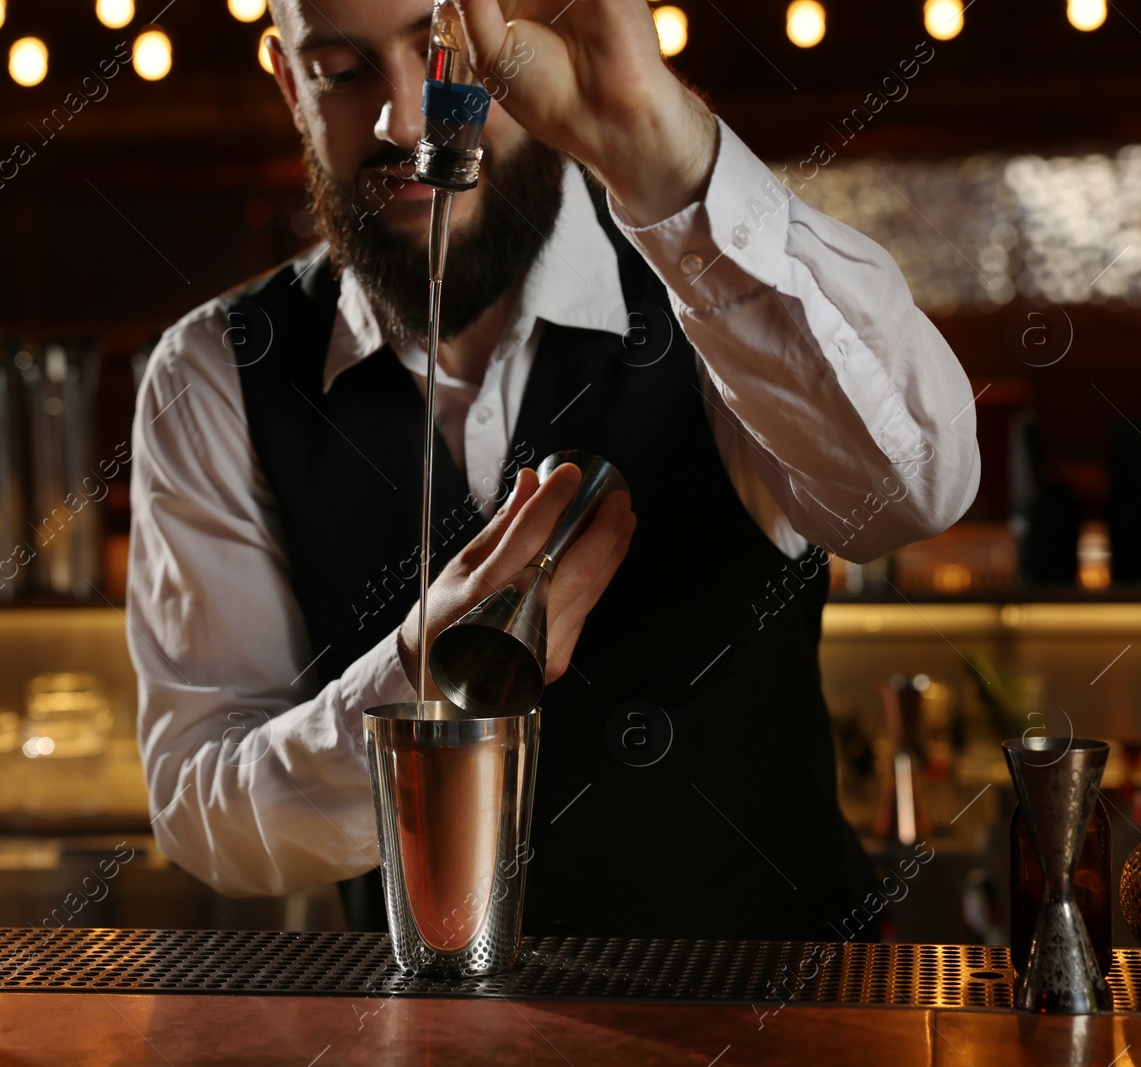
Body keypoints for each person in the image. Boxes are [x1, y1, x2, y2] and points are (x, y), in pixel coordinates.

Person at [128, 0, 980, 940]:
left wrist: (666, 152)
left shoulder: (710, 286)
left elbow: (916, 486)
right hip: (431, 1038)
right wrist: (420, 676)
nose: (409, 123)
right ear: (289, 84)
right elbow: (204, 810)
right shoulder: (217, 368)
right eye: (339, 70)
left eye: (443, 50)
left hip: (774, 1018)